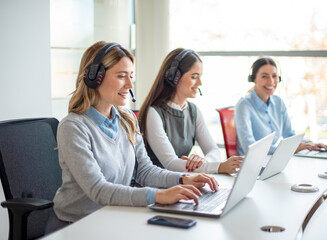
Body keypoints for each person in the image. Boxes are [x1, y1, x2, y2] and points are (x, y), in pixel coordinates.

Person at [47, 42, 219, 232]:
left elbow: (145, 171)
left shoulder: (127, 119)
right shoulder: (73, 127)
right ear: (94, 77)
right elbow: (99, 190)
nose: (130, 85)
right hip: (77, 226)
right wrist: (159, 196)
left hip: (115, 217)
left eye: (131, 76)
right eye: (121, 76)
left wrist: (183, 179)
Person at [138, 48, 243, 174]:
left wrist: (203, 161)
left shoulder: (193, 111)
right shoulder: (154, 113)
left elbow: (213, 150)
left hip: (183, 182)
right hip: (158, 187)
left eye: (200, 77)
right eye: (194, 77)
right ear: (174, 77)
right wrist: (218, 167)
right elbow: (170, 163)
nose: (200, 83)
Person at [234, 56, 327, 155]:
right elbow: (249, 147)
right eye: (264, 76)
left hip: (270, 160)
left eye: (274, 76)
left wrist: (310, 144)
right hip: (250, 164)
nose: (271, 81)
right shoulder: (244, 106)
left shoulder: (278, 102)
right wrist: (288, 150)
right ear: (253, 78)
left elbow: (289, 135)